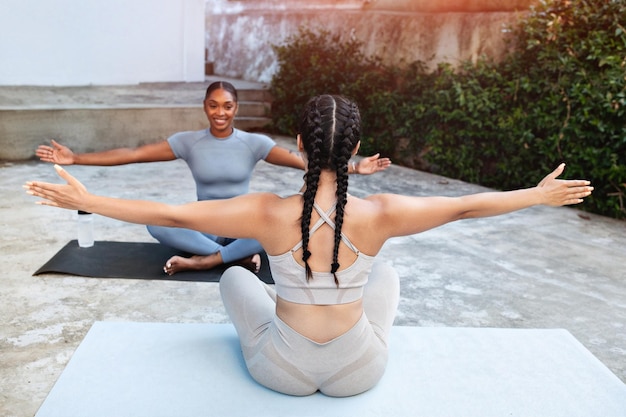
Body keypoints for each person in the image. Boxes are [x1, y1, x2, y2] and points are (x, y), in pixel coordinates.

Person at [25, 94, 593, 397]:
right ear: (356, 148)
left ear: (296, 144)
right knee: (386, 277)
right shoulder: (384, 212)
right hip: (359, 372)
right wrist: (536, 196)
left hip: (280, 370)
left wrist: (90, 198)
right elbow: (467, 207)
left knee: (234, 277)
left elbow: (169, 210)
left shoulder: (266, 212)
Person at [35, 81, 391, 275]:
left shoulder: (254, 143)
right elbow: (133, 154)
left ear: (236, 108)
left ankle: (206, 260)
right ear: (205, 107)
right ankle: (231, 257)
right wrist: (76, 158)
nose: (220, 113)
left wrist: (354, 168)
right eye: (213, 105)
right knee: (156, 225)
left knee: (279, 221)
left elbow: (311, 163)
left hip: (242, 223)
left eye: (228, 106)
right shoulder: (188, 142)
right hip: (204, 223)